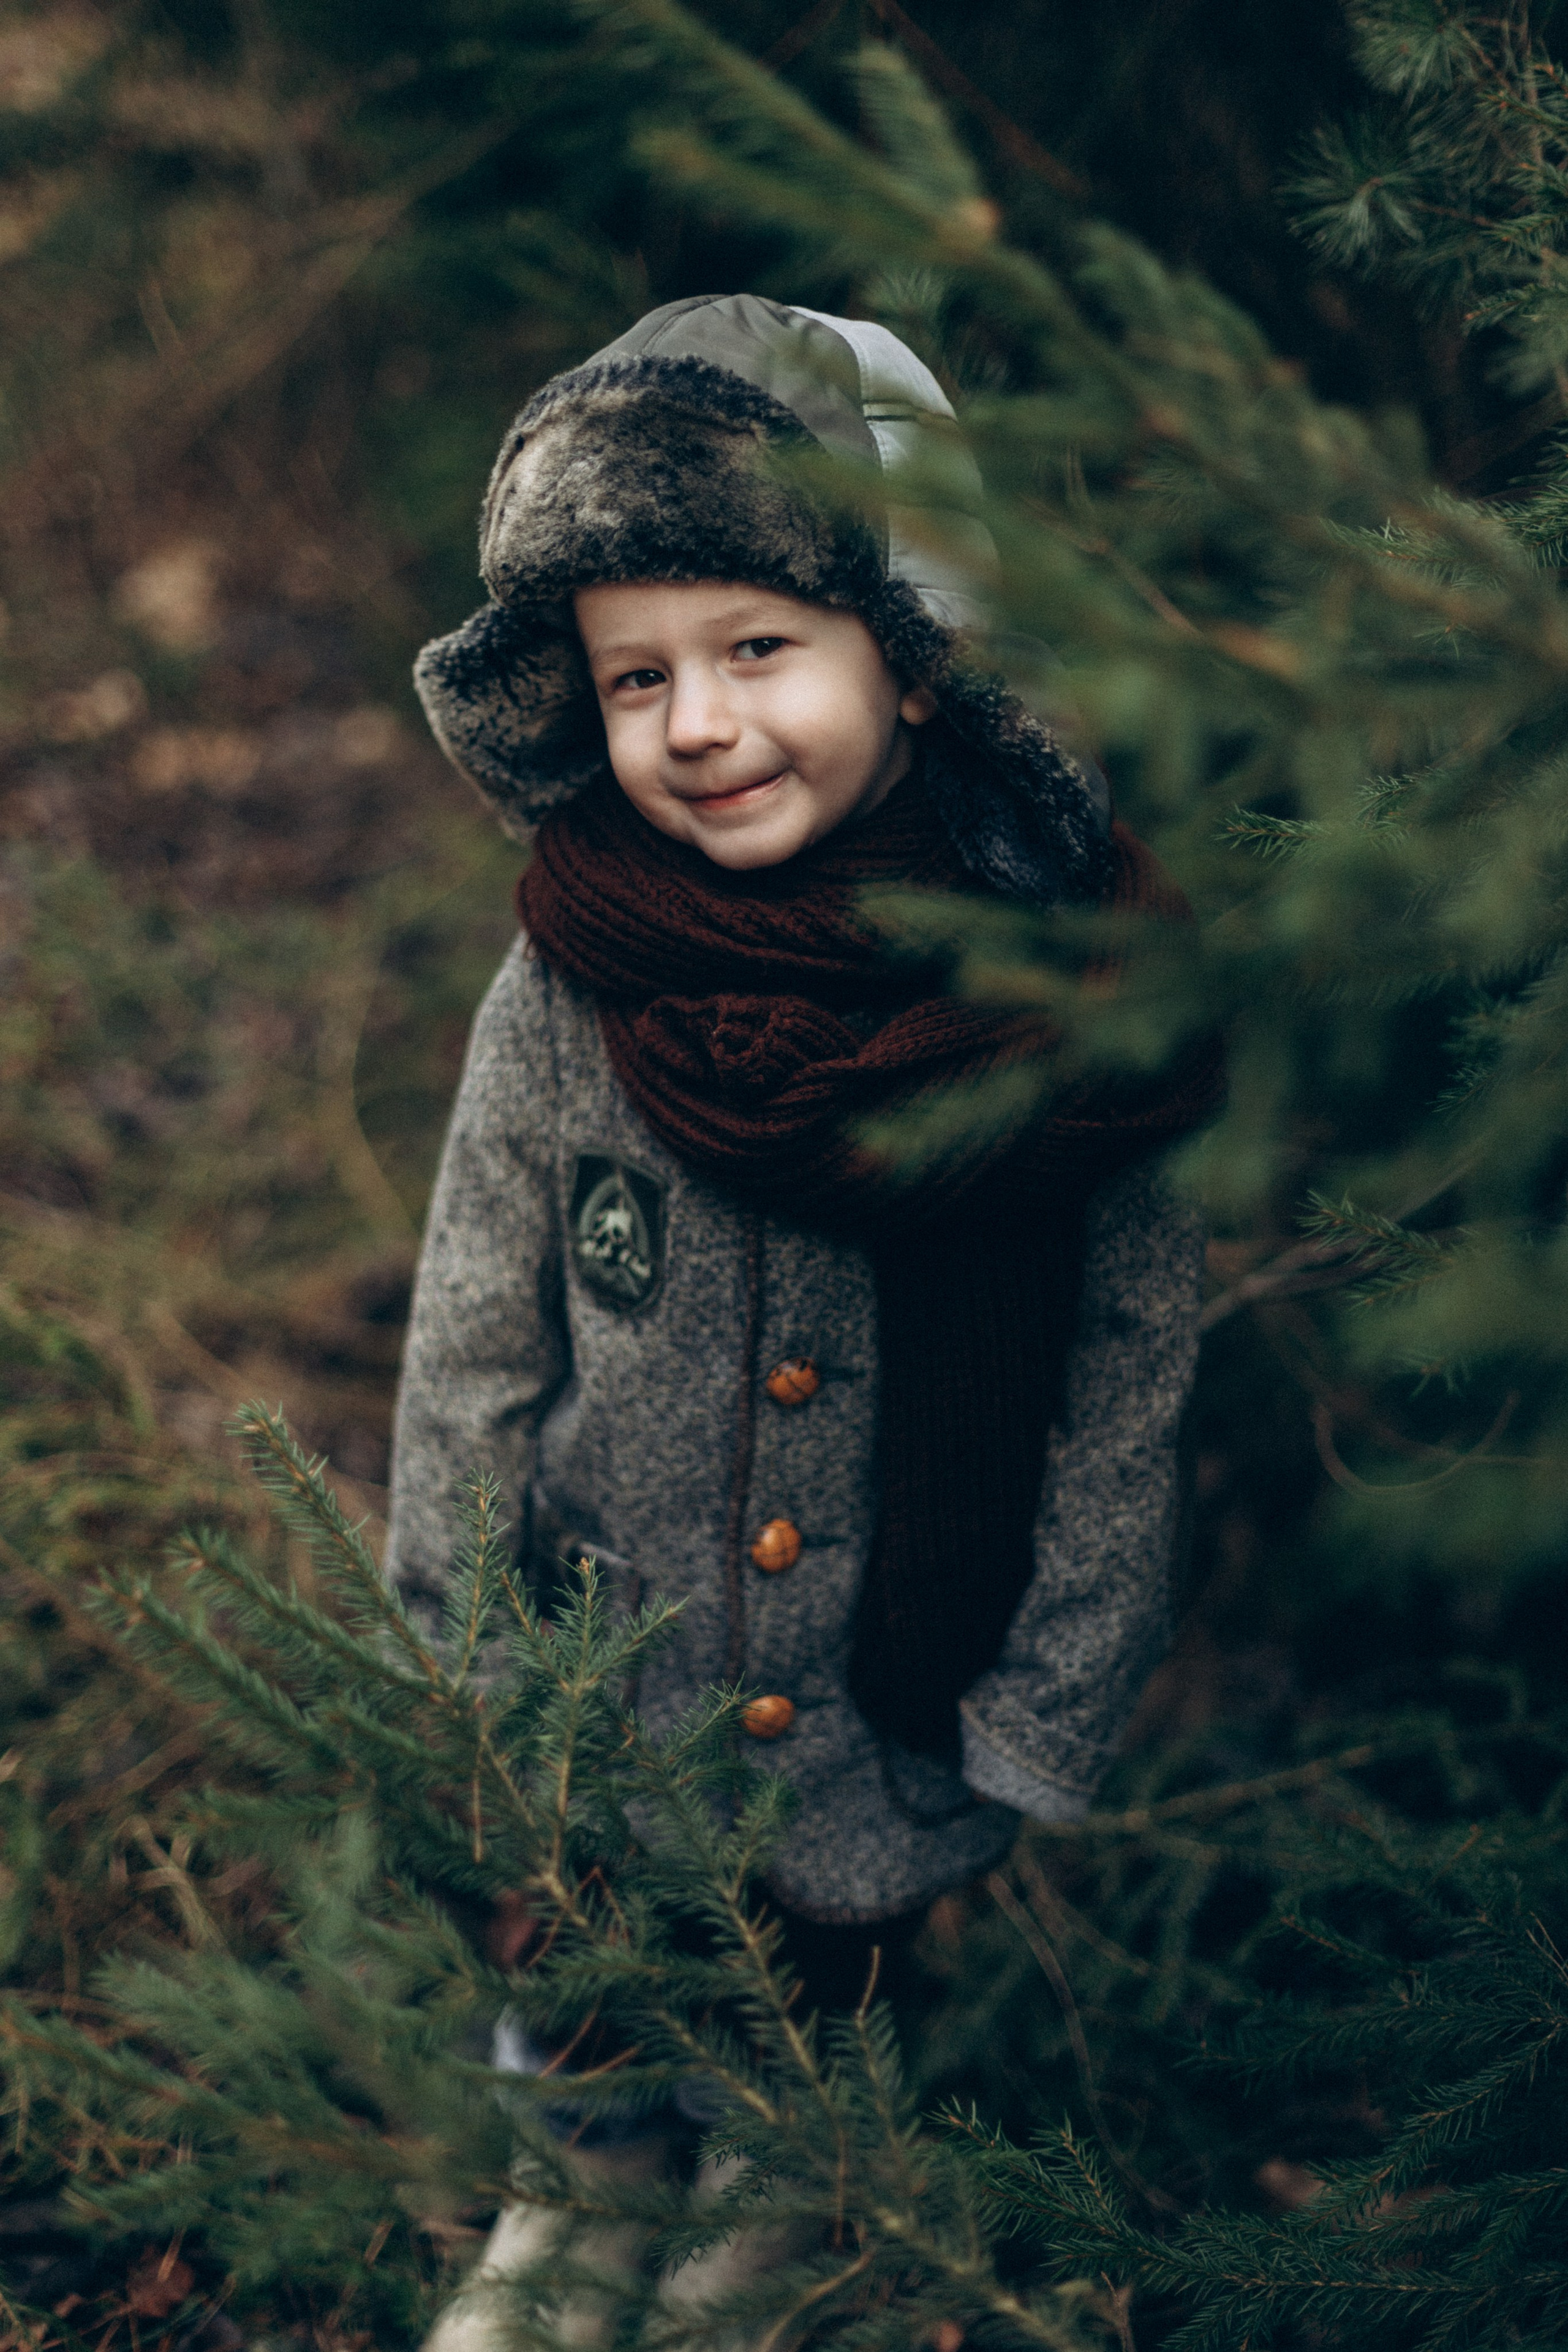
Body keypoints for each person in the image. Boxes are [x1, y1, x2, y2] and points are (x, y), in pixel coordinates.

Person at [386, 293, 1221, 2349]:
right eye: (636, 675)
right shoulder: (577, 983)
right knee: (592, 1963)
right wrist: (464, 1653)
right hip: (613, 1649)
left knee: (826, 1975)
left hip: (888, 1673)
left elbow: (1126, 1375)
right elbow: (475, 1341)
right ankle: (572, 2210)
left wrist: (1053, 1684)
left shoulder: (1063, 1016)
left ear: (916, 661)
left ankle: (778, 2211)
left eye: (761, 648)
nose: (695, 722)